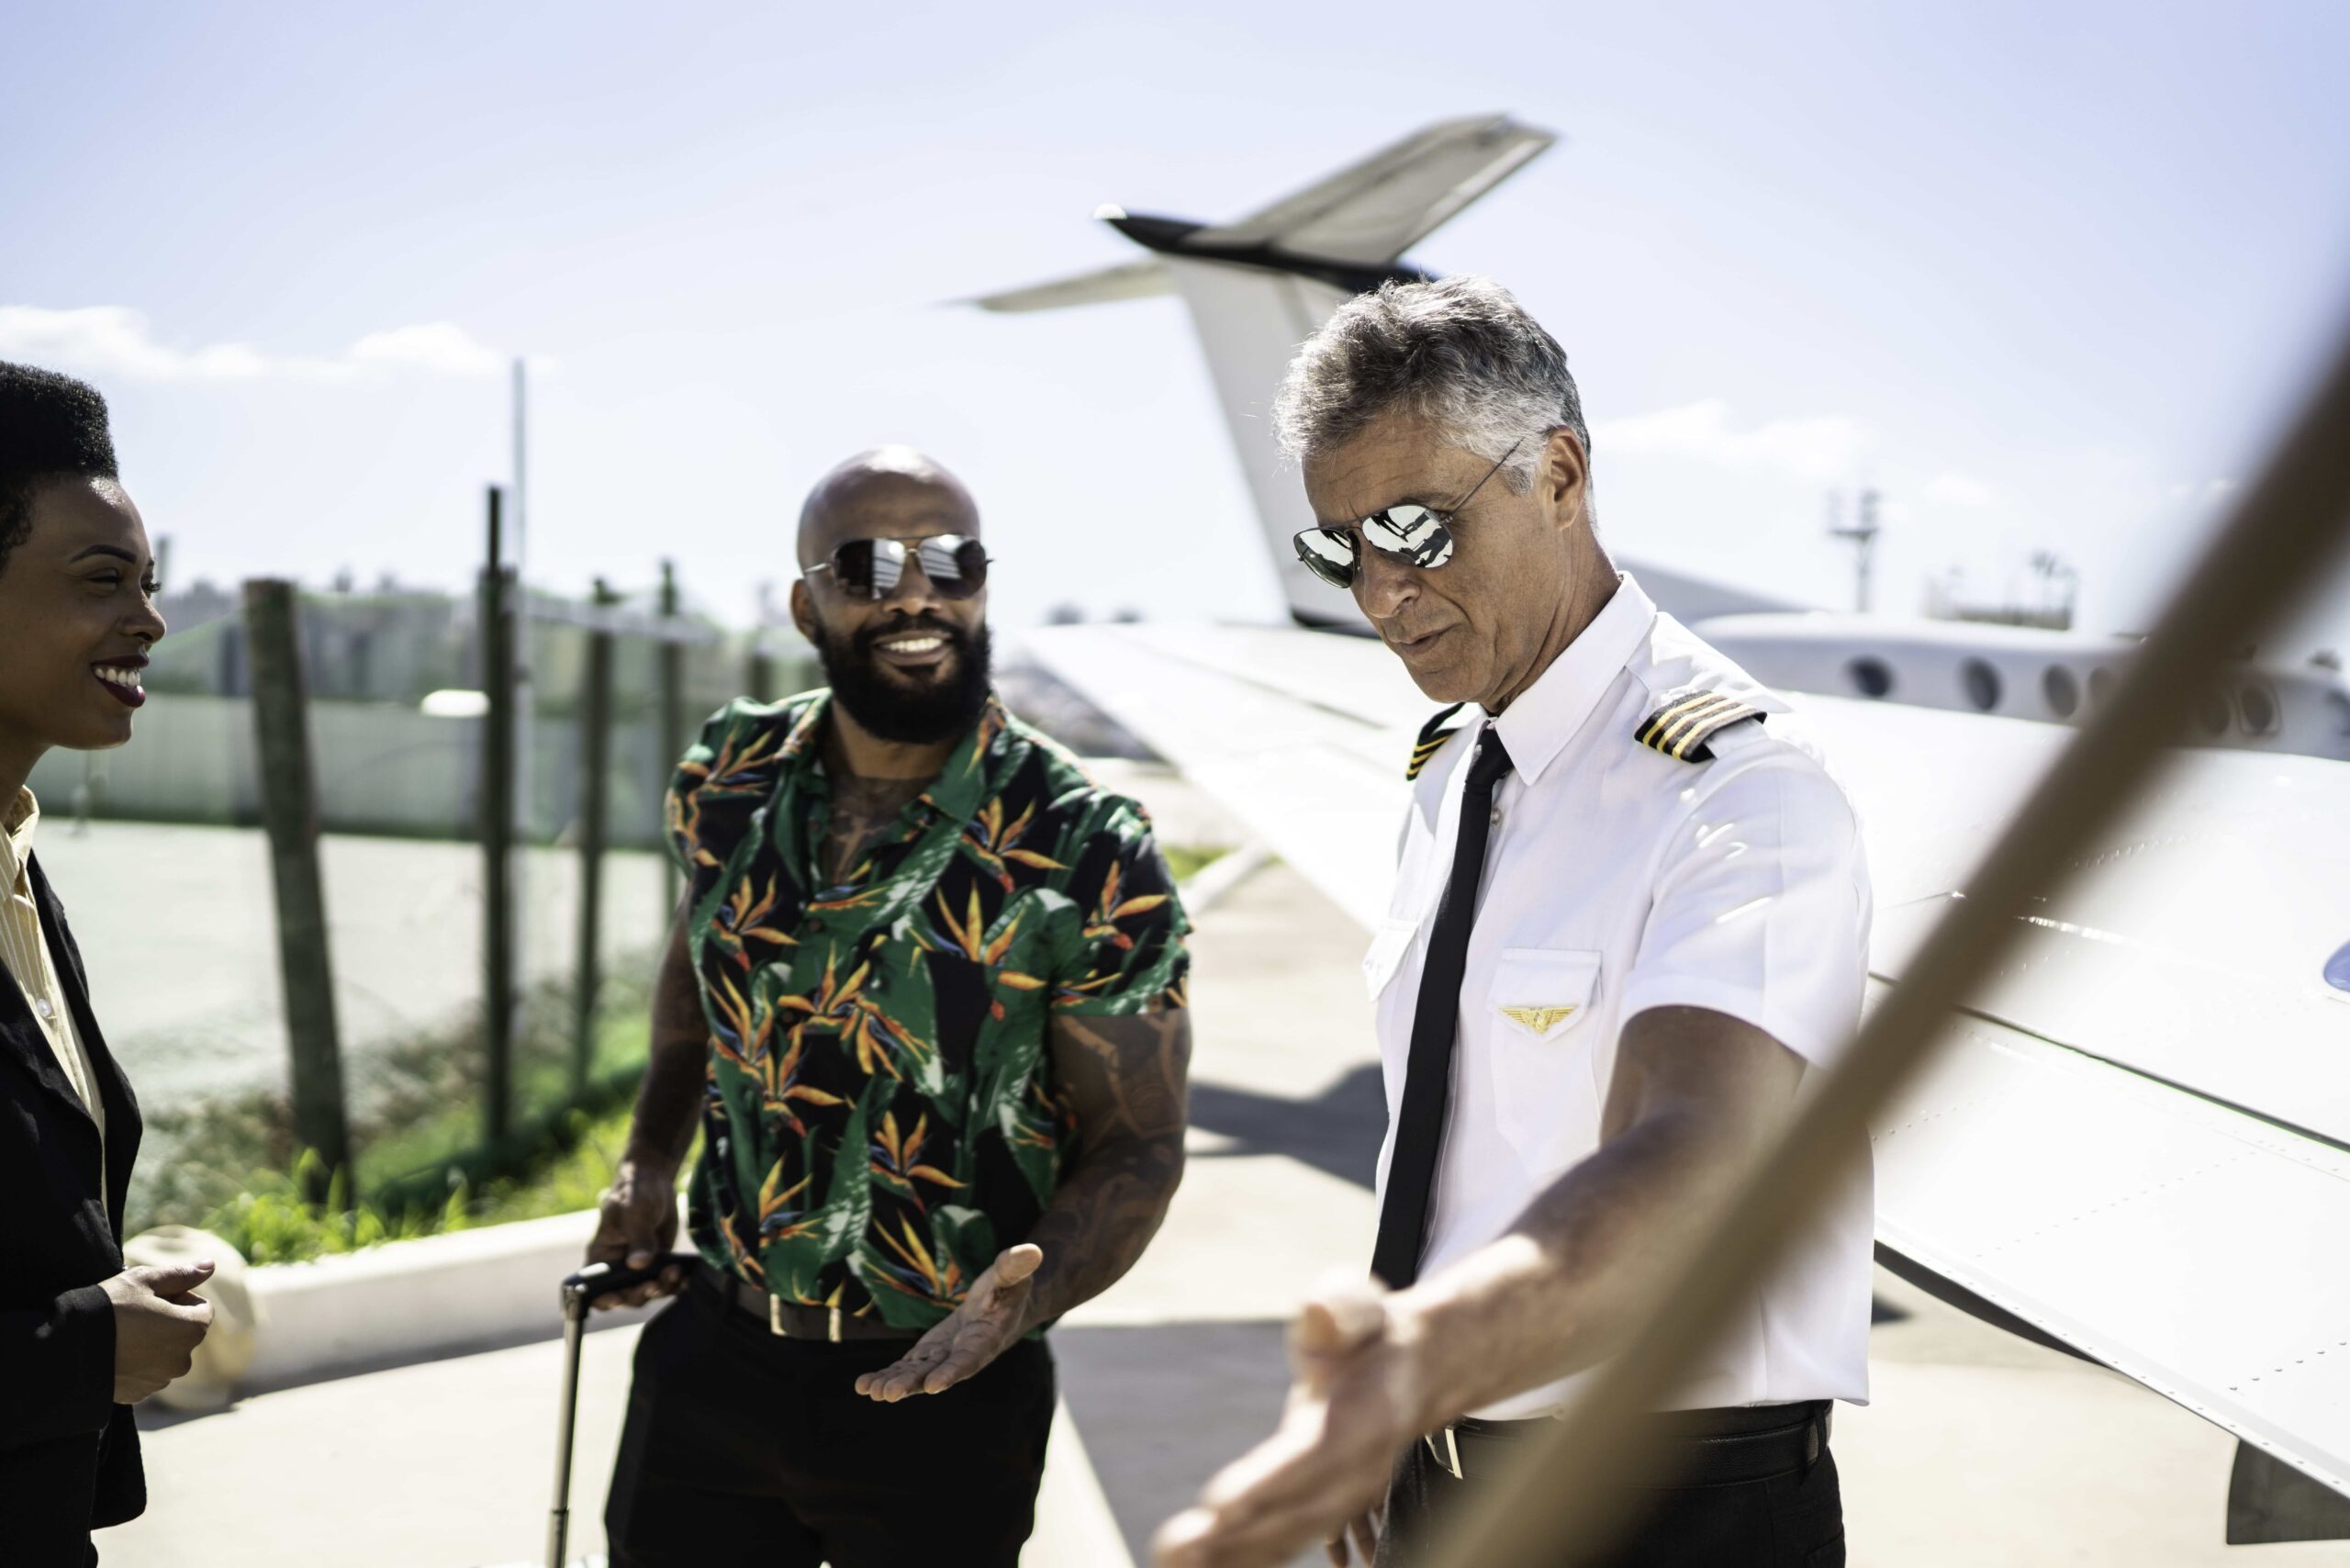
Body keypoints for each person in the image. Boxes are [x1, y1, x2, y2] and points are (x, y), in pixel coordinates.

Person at [1155, 279, 1873, 1568]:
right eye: (1340, 546)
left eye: (1418, 528)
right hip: (1441, 1470)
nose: (1379, 590)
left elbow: (1700, 1157)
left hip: (1671, 1506)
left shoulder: (1738, 789)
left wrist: (1418, 1359)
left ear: (1558, 473)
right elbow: (1467, 1149)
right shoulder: (1453, 776)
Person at [588, 446, 1195, 1566]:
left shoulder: (1086, 846)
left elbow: (1138, 1143)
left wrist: (1023, 1300)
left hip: (949, 1400)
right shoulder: (727, 774)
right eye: (866, 565)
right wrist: (648, 1158)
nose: (914, 592)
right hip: (710, 1367)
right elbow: (696, 974)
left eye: (948, 561)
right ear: (804, 601)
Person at [0, 362, 215, 1564]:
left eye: (150, 582)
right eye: (102, 582)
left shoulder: (20, 874)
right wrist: (85, 1346)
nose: (150, 621)